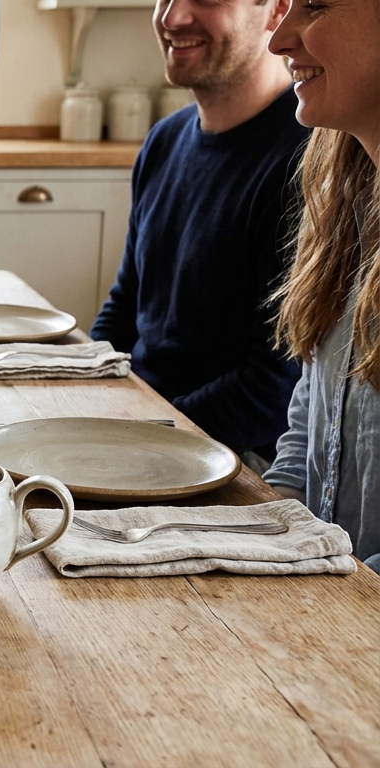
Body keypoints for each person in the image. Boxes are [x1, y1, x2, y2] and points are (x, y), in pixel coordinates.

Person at [90, 0, 309, 471]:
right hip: (140, 428)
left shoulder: (307, 160)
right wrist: (91, 400)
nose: (172, 18)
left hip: (232, 460)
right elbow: (124, 307)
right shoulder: (164, 140)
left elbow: (274, 388)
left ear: (276, 11)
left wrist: (131, 440)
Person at [262, 0, 380, 569]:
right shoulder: (343, 200)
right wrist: (269, 536)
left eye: (315, 6)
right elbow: (308, 425)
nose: (279, 40)